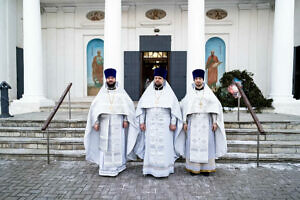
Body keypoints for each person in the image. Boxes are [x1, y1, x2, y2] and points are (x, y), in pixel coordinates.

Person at [84, 68, 138, 176]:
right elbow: (95, 109)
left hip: (118, 123)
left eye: (112, 78)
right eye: (108, 78)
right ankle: (105, 168)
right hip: (104, 123)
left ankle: (118, 166)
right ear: (106, 79)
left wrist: (126, 120)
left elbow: (128, 108)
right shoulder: (102, 94)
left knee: (118, 144)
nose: (110, 80)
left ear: (115, 78)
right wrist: (96, 122)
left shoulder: (121, 94)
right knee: (105, 145)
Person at [131, 67, 183, 177]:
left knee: (164, 146)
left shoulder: (169, 94)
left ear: (164, 80)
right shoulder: (147, 93)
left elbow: (174, 110)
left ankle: (165, 170)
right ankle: (150, 169)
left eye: (160, 78)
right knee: (151, 145)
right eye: (156, 78)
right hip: (150, 124)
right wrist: (141, 122)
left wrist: (173, 123)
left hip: (165, 125)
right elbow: (142, 109)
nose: (157, 80)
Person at [178, 69, 227, 175]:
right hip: (193, 122)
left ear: (203, 79)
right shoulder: (190, 93)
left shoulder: (209, 93)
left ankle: (206, 168)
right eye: (196, 79)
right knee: (193, 145)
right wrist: (184, 122)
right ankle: (194, 168)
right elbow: (184, 107)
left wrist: (215, 122)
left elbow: (215, 107)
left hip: (206, 122)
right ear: (194, 80)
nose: (198, 81)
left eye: (200, 79)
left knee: (207, 145)